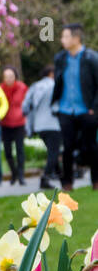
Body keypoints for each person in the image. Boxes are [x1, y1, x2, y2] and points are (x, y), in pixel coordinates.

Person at [52, 23, 98, 191]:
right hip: (65, 109)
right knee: (67, 147)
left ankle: (96, 180)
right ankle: (67, 183)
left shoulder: (91, 58)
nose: (62, 40)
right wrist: (55, 103)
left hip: (86, 110)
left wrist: (94, 108)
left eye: (65, 36)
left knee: (91, 146)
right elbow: (58, 82)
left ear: (76, 38)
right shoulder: (60, 58)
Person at [21, 66, 62, 189]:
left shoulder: (35, 86)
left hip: (39, 125)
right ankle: (45, 178)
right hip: (53, 124)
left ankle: (60, 175)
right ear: (51, 74)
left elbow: (25, 106)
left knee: (52, 151)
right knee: (54, 152)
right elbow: (59, 104)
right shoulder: (55, 85)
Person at [0, 67, 29, 186]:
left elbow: (27, 103)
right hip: (5, 124)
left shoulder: (22, 87)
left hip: (19, 123)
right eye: (6, 76)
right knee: (7, 152)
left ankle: (21, 176)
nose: (9, 79)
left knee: (20, 150)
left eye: (11, 76)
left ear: (15, 77)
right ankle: (14, 173)